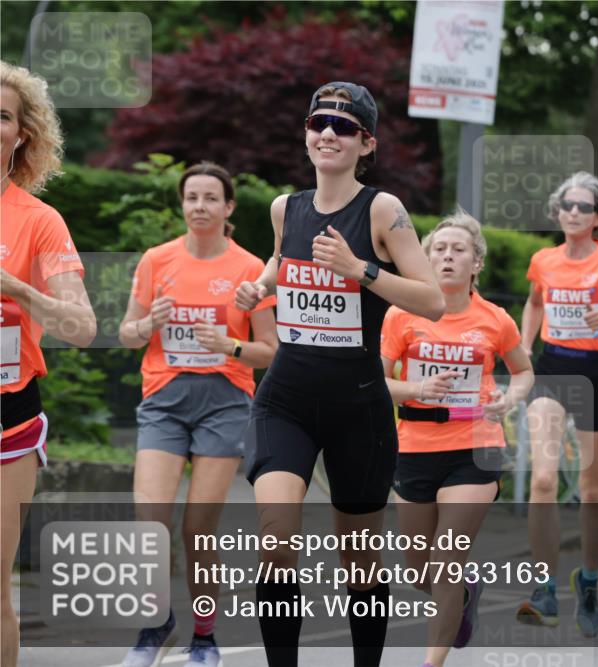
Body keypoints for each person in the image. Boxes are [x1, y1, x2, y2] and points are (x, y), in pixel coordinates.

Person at [235, 81, 444, 667]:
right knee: (275, 539)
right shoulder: (286, 207)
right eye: (318, 122)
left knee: (360, 562)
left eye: (344, 126)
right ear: (306, 134)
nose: (327, 133)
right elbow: (282, 259)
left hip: (359, 407)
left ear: (366, 142)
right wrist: (261, 284)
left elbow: (432, 302)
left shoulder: (382, 211)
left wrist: (360, 270)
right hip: (286, 399)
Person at [117, 162, 278, 667]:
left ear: (229, 207)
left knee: (199, 528)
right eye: (192, 198)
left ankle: (204, 637)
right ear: (182, 204)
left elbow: (271, 350)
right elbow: (126, 333)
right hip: (165, 399)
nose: (200, 207)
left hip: (223, 402)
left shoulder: (251, 268)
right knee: (149, 519)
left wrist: (230, 344)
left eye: (211, 198)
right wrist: (148, 322)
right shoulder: (157, 260)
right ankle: (155, 624)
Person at [380, 210, 534, 667]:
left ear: (476, 264)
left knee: (446, 558)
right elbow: (373, 380)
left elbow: (523, 371)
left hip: (476, 446)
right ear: (426, 261)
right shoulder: (401, 315)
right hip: (414, 446)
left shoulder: (495, 319)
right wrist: (416, 389)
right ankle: (466, 593)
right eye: (439, 250)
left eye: (458, 250)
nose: (447, 257)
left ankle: (432, 661)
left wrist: (510, 398)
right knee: (418, 569)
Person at [516, 172, 598, 638]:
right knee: (545, 478)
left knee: (593, 489)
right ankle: (544, 589)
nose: (572, 212)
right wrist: (524, 346)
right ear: (557, 211)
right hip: (553, 370)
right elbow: (534, 303)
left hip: (597, 373)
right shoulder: (543, 260)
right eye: (566, 205)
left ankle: (588, 582)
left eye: (583, 207)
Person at [0, 60, 97, 667]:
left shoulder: (39, 221)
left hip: (7, 418)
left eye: (2, 116)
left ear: (21, 136)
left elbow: (82, 328)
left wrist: (18, 288)